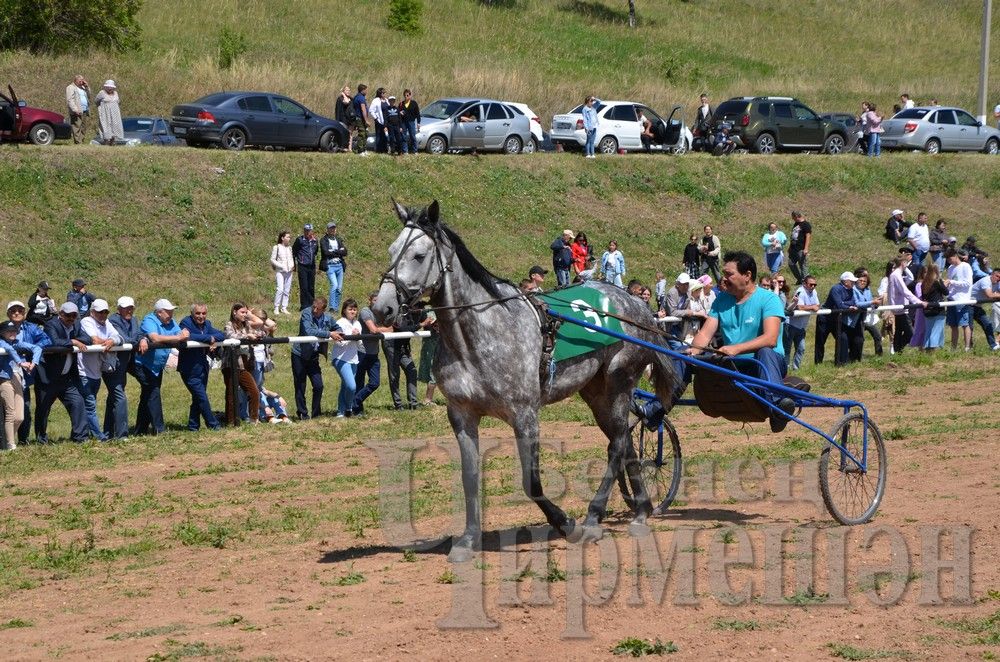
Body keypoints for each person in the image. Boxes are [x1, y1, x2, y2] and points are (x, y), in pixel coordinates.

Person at [678, 251, 794, 433]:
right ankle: (659, 406)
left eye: (729, 274)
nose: (723, 279)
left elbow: (770, 339)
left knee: (764, 351)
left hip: (764, 363)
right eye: (723, 274)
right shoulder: (722, 300)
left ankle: (778, 408)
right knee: (682, 353)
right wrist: (693, 350)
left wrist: (735, 349)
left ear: (747, 275)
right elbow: (705, 333)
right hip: (733, 365)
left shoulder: (769, 299)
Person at [35, 302, 93, 444]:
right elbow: (53, 341)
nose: (71, 318)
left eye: (74, 315)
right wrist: (73, 341)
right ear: (60, 314)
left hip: (66, 378)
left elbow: (88, 339)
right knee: (43, 409)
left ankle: (81, 437)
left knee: (78, 403)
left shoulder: (77, 325)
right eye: (68, 315)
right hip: (47, 378)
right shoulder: (51, 325)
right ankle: (41, 439)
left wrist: (75, 340)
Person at [135, 299, 189, 435]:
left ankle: (140, 430)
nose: (171, 314)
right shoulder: (149, 320)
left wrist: (182, 335)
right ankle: (159, 429)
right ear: (159, 312)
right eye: (168, 312)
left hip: (157, 367)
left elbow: (181, 334)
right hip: (143, 364)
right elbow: (155, 338)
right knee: (153, 393)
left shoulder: (170, 322)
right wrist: (177, 338)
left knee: (147, 395)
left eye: (171, 311)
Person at [6, 301, 51, 445]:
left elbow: (46, 340)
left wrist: (31, 348)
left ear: (25, 313)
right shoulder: (3, 328)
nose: (17, 313)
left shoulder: (32, 328)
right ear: (8, 314)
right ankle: (6, 440)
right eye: (13, 310)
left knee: (24, 407)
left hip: (24, 373)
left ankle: (23, 440)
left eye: (20, 310)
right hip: (5, 373)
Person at [177, 303, 226, 431]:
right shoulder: (185, 323)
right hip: (188, 367)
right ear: (192, 313)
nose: (201, 316)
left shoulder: (207, 324)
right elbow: (188, 336)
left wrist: (212, 338)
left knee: (198, 397)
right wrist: (208, 338)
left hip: (203, 366)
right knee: (202, 397)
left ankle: (193, 426)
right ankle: (213, 424)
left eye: (203, 313)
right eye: (198, 313)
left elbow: (222, 334)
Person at [77, 299, 121, 441]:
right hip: (83, 371)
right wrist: (109, 341)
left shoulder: (107, 323)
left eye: (105, 312)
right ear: (92, 312)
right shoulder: (87, 322)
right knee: (90, 404)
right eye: (99, 312)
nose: (103, 315)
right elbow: (94, 340)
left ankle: (83, 434)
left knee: (90, 403)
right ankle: (99, 436)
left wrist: (113, 340)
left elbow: (119, 337)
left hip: (96, 372)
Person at [292, 297, 339, 420]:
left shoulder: (328, 318)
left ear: (323, 310)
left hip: (313, 356)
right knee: (300, 385)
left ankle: (316, 413)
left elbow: (337, 327)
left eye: (317, 309)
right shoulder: (306, 313)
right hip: (299, 354)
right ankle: (302, 413)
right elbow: (309, 331)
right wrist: (329, 334)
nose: (314, 310)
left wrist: (338, 332)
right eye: (313, 306)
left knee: (319, 385)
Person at [0, 320, 41, 450]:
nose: (13, 333)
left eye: (14, 331)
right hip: (4, 379)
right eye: (9, 331)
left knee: (20, 417)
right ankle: (11, 445)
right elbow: (9, 349)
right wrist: (21, 363)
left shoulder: (17, 343)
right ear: (2, 333)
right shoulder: (1, 342)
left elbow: (37, 348)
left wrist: (34, 362)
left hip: (17, 377)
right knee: (10, 413)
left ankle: (5, 441)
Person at [353, 292, 392, 416]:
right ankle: (357, 410)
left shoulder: (380, 314)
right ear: (369, 300)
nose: (377, 302)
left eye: (379, 300)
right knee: (359, 382)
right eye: (375, 300)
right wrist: (389, 329)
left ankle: (355, 401)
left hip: (374, 353)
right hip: (362, 352)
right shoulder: (365, 311)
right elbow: (373, 330)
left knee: (375, 383)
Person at [223, 303, 262, 425]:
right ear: (234, 312)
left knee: (254, 391)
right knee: (231, 393)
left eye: (246, 312)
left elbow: (260, 329)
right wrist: (247, 336)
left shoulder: (247, 325)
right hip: (231, 364)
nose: (245, 315)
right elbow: (231, 336)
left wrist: (257, 335)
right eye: (242, 312)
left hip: (244, 364)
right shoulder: (228, 325)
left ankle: (253, 419)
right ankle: (230, 421)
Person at [814, 272, 859, 366]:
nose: (853, 283)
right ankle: (818, 363)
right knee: (821, 341)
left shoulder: (851, 289)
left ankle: (841, 362)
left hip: (837, 319)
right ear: (846, 281)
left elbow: (853, 302)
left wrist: (845, 304)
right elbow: (839, 304)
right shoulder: (836, 289)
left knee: (843, 339)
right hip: (825, 318)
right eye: (852, 281)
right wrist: (847, 306)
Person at [886, 255, 926, 353]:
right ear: (903, 262)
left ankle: (897, 351)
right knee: (911, 333)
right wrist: (919, 302)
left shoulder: (898, 274)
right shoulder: (896, 275)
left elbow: (910, 278)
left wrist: (905, 267)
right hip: (900, 308)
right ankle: (898, 349)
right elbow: (905, 291)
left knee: (899, 331)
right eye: (906, 262)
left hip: (900, 307)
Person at [331, 299, 362, 418]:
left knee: (345, 386)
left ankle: (340, 411)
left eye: (354, 309)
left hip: (353, 358)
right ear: (344, 310)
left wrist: (358, 337)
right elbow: (339, 343)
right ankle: (348, 408)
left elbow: (359, 344)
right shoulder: (340, 323)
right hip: (340, 358)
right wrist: (350, 336)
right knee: (351, 386)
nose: (353, 311)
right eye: (350, 309)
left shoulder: (358, 324)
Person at [384, 310, 419, 411]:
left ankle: (413, 403)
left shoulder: (419, 312)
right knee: (395, 375)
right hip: (391, 346)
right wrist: (421, 324)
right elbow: (401, 328)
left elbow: (424, 324)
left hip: (404, 348)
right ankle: (398, 404)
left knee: (412, 371)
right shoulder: (398, 311)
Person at [785, 276, 819, 370]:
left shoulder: (814, 292)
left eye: (814, 285)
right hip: (791, 324)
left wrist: (812, 306)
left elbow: (818, 305)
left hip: (802, 327)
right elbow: (799, 307)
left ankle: (795, 368)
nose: (813, 286)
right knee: (787, 349)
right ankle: (785, 368)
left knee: (801, 348)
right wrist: (812, 307)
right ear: (804, 284)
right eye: (811, 284)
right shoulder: (800, 291)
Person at [944, 248, 974, 351]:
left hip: (962, 299)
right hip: (952, 299)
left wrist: (952, 282)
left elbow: (968, 283)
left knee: (965, 324)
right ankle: (953, 348)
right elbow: (950, 284)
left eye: (949, 259)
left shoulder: (966, 266)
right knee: (953, 325)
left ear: (955, 256)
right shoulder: (951, 268)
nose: (949, 261)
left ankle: (967, 347)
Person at [319, 221, 348, 313]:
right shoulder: (323, 240)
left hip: (339, 265)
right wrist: (339, 251)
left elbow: (345, 252)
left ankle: (336, 308)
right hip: (330, 266)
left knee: (339, 288)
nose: (333, 230)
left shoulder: (338, 239)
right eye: (331, 228)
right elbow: (326, 252)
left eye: (334, 228)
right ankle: (332, 307)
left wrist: (334, 251)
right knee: (334, 285)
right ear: (327, 230)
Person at [969, 269, 1000, 351]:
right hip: (968, 305)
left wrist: (997, 294)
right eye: (997, 276)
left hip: (978, 307)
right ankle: (968, 347)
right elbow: (989, 295)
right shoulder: (985, 281)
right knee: (969, 327)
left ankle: (993, 346)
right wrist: (997, 295)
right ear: (992, 274)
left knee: (988, 324)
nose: (998, 279)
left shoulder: (997, 283)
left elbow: (996, 294)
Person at [920, 265, 948, 352]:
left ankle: (927, 348)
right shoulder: (937, 281)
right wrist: (944, 283)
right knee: (936, 331)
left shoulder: (924, 283)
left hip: (927, 311)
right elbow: (946, 292)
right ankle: (931, 350)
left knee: (929, 331)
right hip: (938, 310)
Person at [855, 271, 883, 357]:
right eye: (861, 280)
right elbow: (858, 303)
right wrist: (872, 302)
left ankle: (879, 356)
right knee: (860, 339)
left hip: (867, 317)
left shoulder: (867, 290)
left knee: (878, 335)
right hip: (857, 318)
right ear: (857, 281)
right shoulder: (854, 290)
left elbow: (870, 303)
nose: (863, 282)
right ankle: (857, 357)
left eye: (864, 281)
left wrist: (876, 304)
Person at [292, 223, 319, 310]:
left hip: (311, 266)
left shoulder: (315, 241)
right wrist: (294, 264)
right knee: (304, 286)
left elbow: (315, 252)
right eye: (306, 230)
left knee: (311, 286)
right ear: (304, 231)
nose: (307, 232)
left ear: (312, 231)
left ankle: (311, 305)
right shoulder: (299, 240)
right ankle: (304, 305)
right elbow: (294, 252)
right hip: (302, 265)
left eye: (309, 230)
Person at [417, 306, 439, 405]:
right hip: (431, 343)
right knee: (432, 369)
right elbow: (430, 323)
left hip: (443, 342)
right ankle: (428, 399)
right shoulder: (427, 309)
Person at [270, 231, 295, 315]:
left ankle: (284, 307)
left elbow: (291, 258)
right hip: (280, 271)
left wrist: (292, 265)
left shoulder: (290, 248)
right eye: (287, 237)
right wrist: (281, 266)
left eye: (289, 237)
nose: (289, 239)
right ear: (282, 238)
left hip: (289, 271)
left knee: (287, 290)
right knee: (280, 289)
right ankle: (276, 307)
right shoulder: (276, 247)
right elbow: (272, 259)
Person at [95, 80, 124, 145]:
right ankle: (106, 142)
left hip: (115, 113)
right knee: (106, 126)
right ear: (106, 87)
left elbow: (118, 101)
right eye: (108, 87)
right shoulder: (102, 93)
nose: (110, 89)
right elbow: (96, 101)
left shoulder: (116, 93)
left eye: (111, 87)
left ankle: (113, 141)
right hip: (105, 113)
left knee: (115, 125)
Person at [787, 211, 812, 285]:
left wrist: (806, 248)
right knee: (791, 263)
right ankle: (800, 279)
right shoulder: (796, 224)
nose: (792, 219)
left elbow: (808, 236)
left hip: (801, 248)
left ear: (796, 216)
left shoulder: (806, 224)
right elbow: (793, 236)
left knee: (803, 266)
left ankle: (806, 281)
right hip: (793, 248)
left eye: (793, 217)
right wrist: (789, 247)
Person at [65, 75, 90, 145]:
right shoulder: (71, 87)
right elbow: (70, 100)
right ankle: (78, 142)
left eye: (82, 80)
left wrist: (87, 87)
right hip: (77, 110)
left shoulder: (83, 88)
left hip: (84, 110)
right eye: (80, 80)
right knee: (77, 127)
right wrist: (75, 109)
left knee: (83, 127)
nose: (82, 82)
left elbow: (89, 96)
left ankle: (82, 141)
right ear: (75, 80)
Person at [334, 85, 356, 152]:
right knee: (344, 133)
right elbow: (345, 104)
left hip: (351, 119)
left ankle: (350, 148)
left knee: (350, 133)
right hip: (343, 119)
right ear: (343, 91)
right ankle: (343, 147)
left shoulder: (352, 99)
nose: (348, 91)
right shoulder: (340, 99)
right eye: (347, 90)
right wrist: (343, 95)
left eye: (349, 90)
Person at [400, 89, 421, 155]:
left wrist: (418, 122)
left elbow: (417, 113)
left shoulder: (414, 103)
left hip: (411, 122)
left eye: (407, 95)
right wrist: (399, 112)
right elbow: (398, 113)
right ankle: (405, 150)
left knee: (412, 136)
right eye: (405, 95)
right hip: (403, 122)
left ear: (410, 95)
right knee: (404, 136)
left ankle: (415, 150)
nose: (406, 96)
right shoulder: (401, 104)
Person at [352, 84, 370, 155]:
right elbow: (363, 109)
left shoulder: (357, 97)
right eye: (366, 90)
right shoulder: (361, 98)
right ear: (362, 90)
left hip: (360, 118)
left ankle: (364, 149)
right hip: (360, 119)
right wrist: (366, 120)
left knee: (366, 134)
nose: (367, 91)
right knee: (362, 134)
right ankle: (360, 151)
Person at [370, 87, 388, 154]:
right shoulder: (376, 100)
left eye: (384, 93)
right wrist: (376, 118)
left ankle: (385, 149)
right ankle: (379, 150)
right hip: (379, 120)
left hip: (386, 121)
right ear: (379, 94)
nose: (384, 94)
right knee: (379, 135)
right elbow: (371, 110)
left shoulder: (386, 100)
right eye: (383, 93)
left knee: (385, 135)